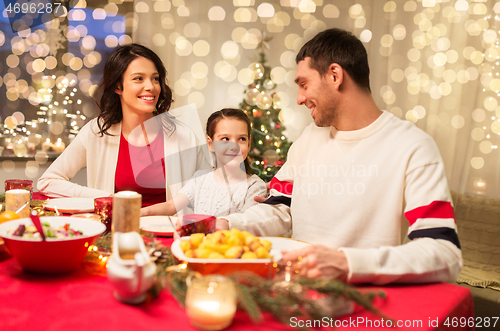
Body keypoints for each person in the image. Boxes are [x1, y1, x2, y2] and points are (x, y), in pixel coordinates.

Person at [217, 28, 462, 285]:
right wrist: (227, 224)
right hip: (297, 292)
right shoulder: (309, 138)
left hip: (362, 301)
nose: (299, 99)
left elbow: (445, 252)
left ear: (335, 75)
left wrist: (345, 263)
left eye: (304, 84)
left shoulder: (413, 146)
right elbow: (280, 207)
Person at [37, 44, 210, 209]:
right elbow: (48, 182)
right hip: (114, 233)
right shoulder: (97, 132)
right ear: (118, 86)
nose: (150, 86)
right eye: (138, 79)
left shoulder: (184, 135)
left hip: (170, 235)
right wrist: (102, 198)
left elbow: (210, 191)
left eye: (155, 78)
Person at [141, 108, 267, 217]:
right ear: (210, 144)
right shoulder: (200, 179)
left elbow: (246, 224)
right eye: (225, 139)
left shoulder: (254, 187)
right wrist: (141, 212)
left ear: (249, 144)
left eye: (241, 139)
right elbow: (170, 206)